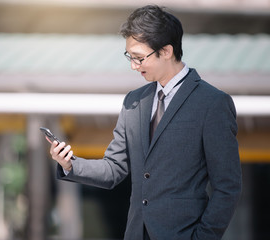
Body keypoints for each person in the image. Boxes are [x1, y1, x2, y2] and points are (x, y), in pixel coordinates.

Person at [47, 5, 242, 240]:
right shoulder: (134, 101)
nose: (133, 65)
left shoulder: (212, 103)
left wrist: (203, 237)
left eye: (139, 58)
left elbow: (227, 186)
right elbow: (113, 169)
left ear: (167, 51)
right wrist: (70, 164)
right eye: (130, 57)